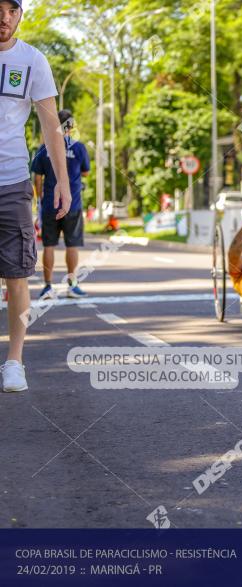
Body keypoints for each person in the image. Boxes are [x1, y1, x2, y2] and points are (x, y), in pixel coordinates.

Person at [0, 0, 72, 392]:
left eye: (12, 10)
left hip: (11, 180)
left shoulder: (32, 61)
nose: (4, 17)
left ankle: (14, 362)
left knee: (15, 273)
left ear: (20, 15)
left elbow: (50, 127)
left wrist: (62, 180)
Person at [31, 109, 90, 299]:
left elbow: (37, 176)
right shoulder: (79, 147)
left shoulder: (45, 147)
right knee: (72, 245)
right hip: (72, 204)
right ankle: (72, 285)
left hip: (49, 204)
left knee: (49, 245)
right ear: (71, 126)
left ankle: (48, 287)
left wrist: (39, 197)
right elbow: (86, 172)